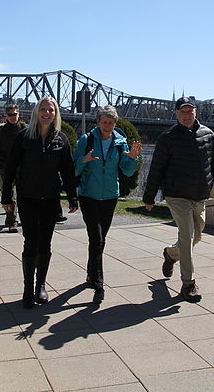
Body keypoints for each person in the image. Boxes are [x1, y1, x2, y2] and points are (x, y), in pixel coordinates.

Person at [142, 97, 214, 302]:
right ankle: (188, 284)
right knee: (188, 236)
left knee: (197, 236)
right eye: (183, 112)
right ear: (176, 114)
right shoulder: (168, 138)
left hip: (199, 195)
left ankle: (171, 254)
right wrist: (149, 196)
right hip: (176, 194)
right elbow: (156, 169)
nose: (187, 115)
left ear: (196, 112)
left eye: (190, 111)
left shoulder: (208, 135)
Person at [1, 96, 78, 308]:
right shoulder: (23, 137)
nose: (46, 113)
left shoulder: (61, 140)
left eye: (50, 110)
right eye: (43, 109)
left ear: (55, 114)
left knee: (45, 244)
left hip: (50, 200)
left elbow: (68, 171)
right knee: (30, 242)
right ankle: (27, 288)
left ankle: (40, 286)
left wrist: (72, 197)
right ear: (37, 112)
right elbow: (10, 169)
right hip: (28, 198)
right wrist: (6, 196)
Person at [73, 105, 141, 303]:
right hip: (89, 196)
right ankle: (99, 285)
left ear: (115, 124)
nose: (108, 126)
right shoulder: (86, 140)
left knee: (99, 241)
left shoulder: (120, 142)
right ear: (98, 122)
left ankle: (90, 274)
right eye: (104, 122)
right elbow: (74, 169)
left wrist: (133, 159)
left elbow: (127, 171)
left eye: (111, 123)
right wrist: (83, 161)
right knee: (97, 238)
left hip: (110, 196)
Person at [0, 105, 25, 231]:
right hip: (6, 167)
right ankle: (12, 222)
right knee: (10, 195)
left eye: (15, 114)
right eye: (10, 115)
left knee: (24, 194)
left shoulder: (25, 129)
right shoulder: (1, 130)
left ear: (18, 114)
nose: (13, 117)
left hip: (23, 166)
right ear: (6, 116)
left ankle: (23, 219)